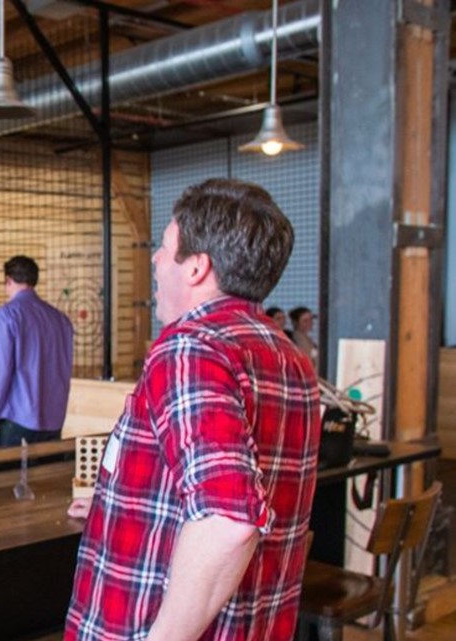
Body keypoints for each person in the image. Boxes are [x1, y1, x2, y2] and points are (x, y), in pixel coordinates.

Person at [64, 179, 319, 641]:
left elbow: (228, 521)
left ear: (198, 267)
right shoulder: (287, 356)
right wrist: (122, 506)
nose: (157, 261)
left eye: (165, 247)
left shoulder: (190, 348)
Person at [0, 256, 74, 448]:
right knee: (45, 478)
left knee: (5, 478)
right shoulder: (61, 320)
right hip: (54, 421)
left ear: (8, 281)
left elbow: (0, 373)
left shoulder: (5, 316)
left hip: (17, 421)